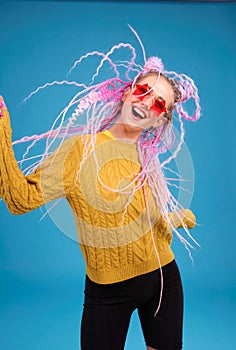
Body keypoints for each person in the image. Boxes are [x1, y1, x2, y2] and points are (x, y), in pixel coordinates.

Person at [0, 41, 200, 350]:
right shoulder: (79, 151)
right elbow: (19, 198)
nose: (147, 103)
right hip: (107, 292)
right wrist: (1, 129)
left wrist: (173, 217)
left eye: (160, 104)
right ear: (127, 92)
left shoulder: (146, 158)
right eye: (143, 91)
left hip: (163, 280)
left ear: (160, 120)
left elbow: (137, 216)